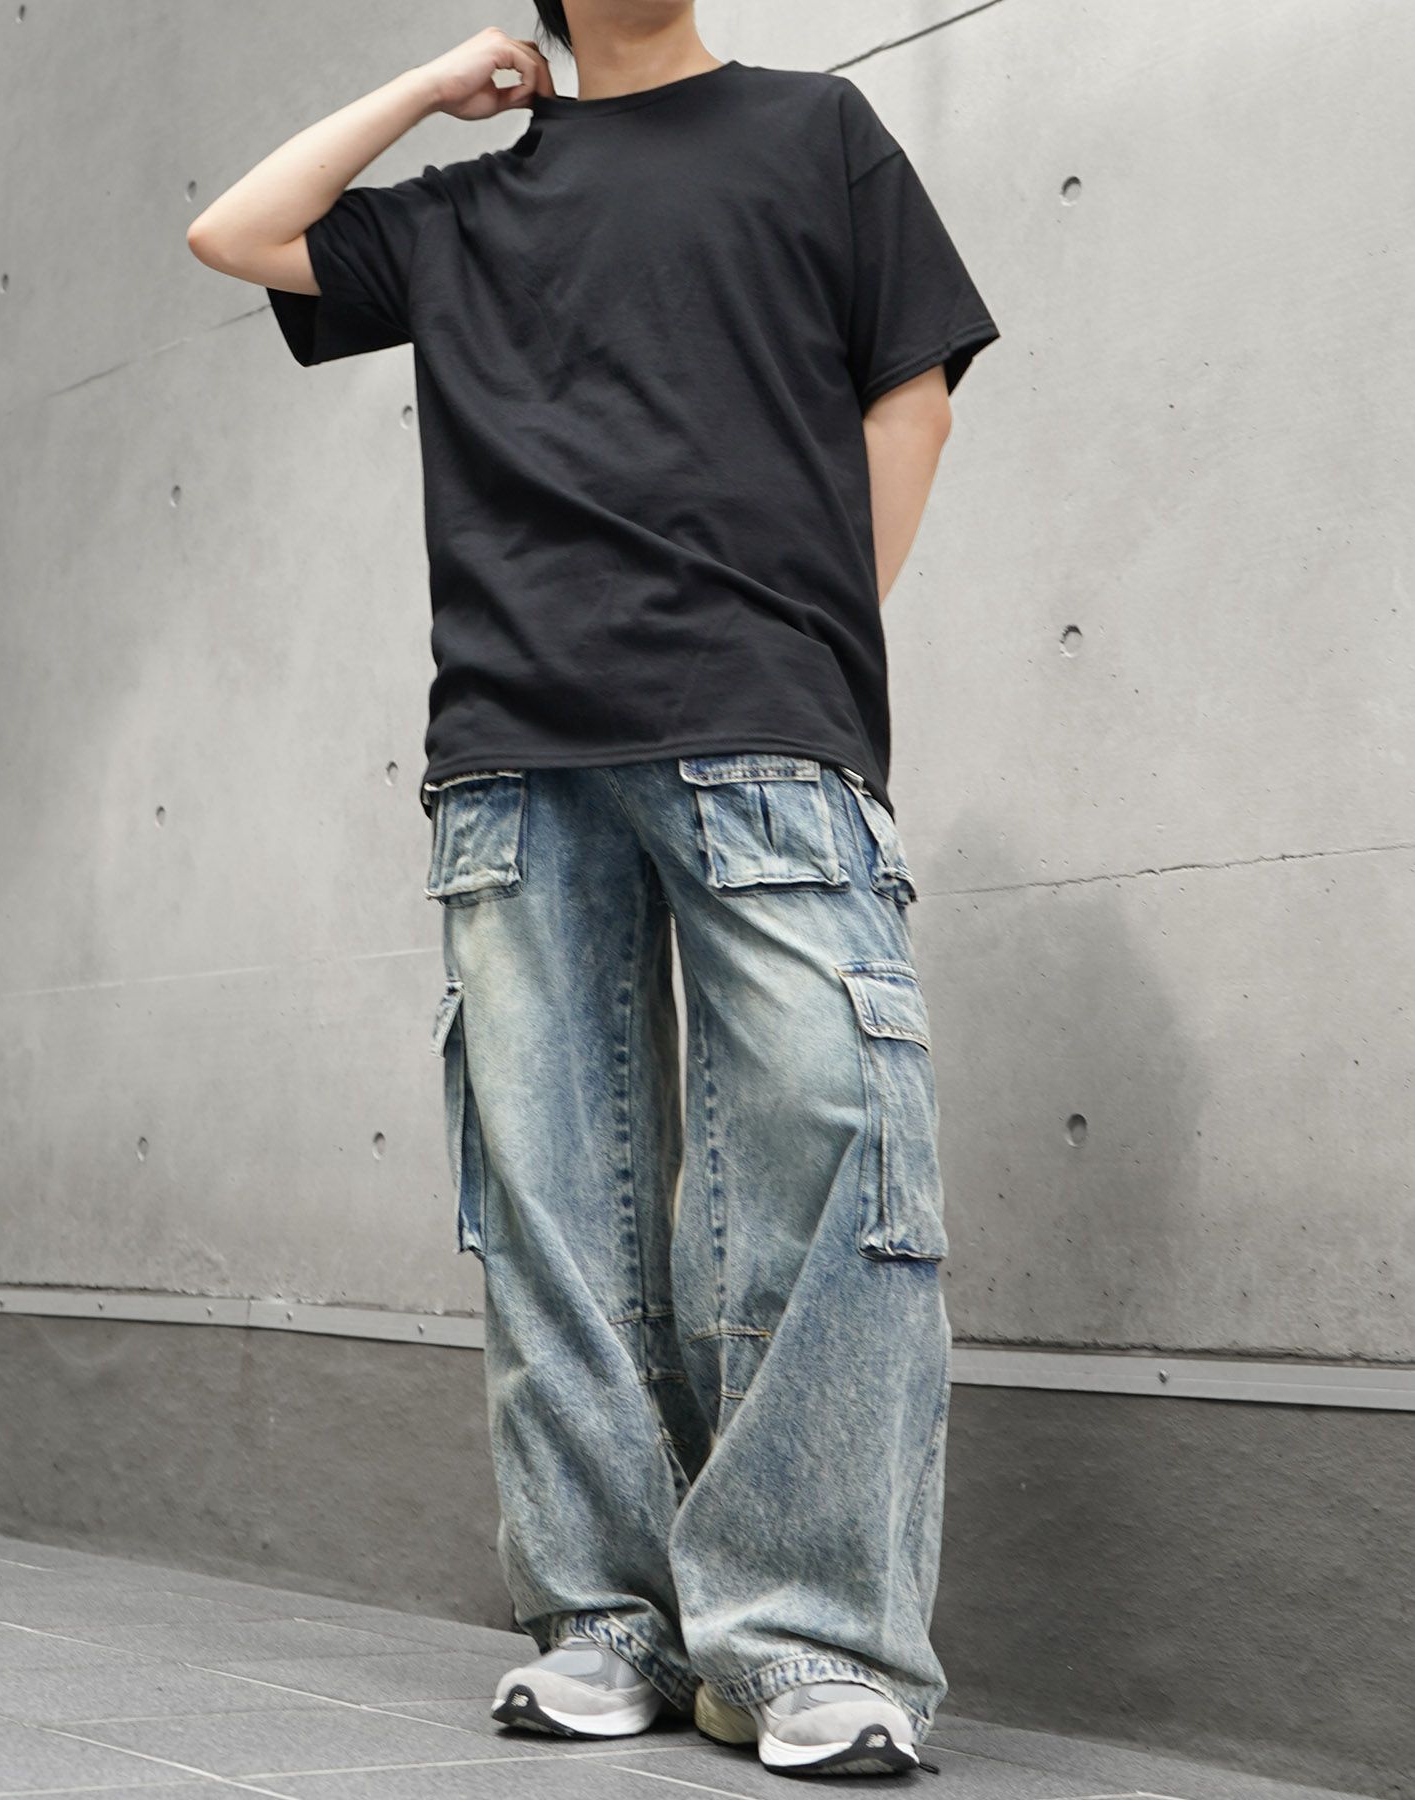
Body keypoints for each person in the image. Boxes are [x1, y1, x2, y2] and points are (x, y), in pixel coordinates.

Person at [188, 2, 998, 1778]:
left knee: (828, 1154)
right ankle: (609, 1620)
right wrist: (430, 89)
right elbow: (235, 232)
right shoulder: (472, 207)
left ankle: (805, 1640)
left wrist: (811, 636)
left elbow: (913, 392)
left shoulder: (815, 133)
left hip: (759, 727)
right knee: (555, 1201)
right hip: (513, 752)